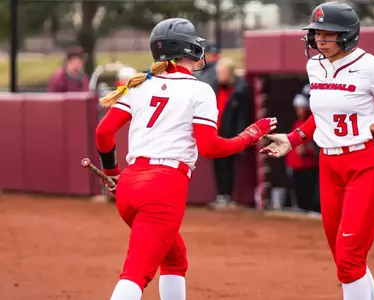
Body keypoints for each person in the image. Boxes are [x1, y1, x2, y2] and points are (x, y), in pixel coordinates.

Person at [94, 18, 276, 300]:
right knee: (135, 274)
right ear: (190, 50)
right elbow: (211, 147)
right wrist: (250, 136)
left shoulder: (140, 84)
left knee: (175, 259)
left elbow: (103, 132)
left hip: (130, 185)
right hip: (163, 188)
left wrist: (113, 171)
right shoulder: (199, 89)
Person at [260, 2, 374, 299]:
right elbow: (320, 117)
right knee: (345, 259)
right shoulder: (314, 66)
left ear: (347, 35)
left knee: (348, 260)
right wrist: (294, 139)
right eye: (316, 32)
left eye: (327, 33)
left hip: (367, 164)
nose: (319, 39)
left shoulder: (372, 67)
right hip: (329, 165)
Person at [208, 57, 253, 208]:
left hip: (230, 134)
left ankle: (227, 196)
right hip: (215, 132)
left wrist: (240, 137)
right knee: (218, 165)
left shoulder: (240, 90)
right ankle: (221, 195)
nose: (220, 76)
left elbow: (243, 116)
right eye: (219, 72)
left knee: (228, 165)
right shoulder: (214, 87)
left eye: (223, 73)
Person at [285, 86, 319, 213]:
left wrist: (307, 150)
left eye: (301, 108)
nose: (299, 111)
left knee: (308, 192)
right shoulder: (296, 124)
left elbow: (316, 147)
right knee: (298, 193)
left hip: (309, 166)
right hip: (296, 165)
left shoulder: (314, 123)